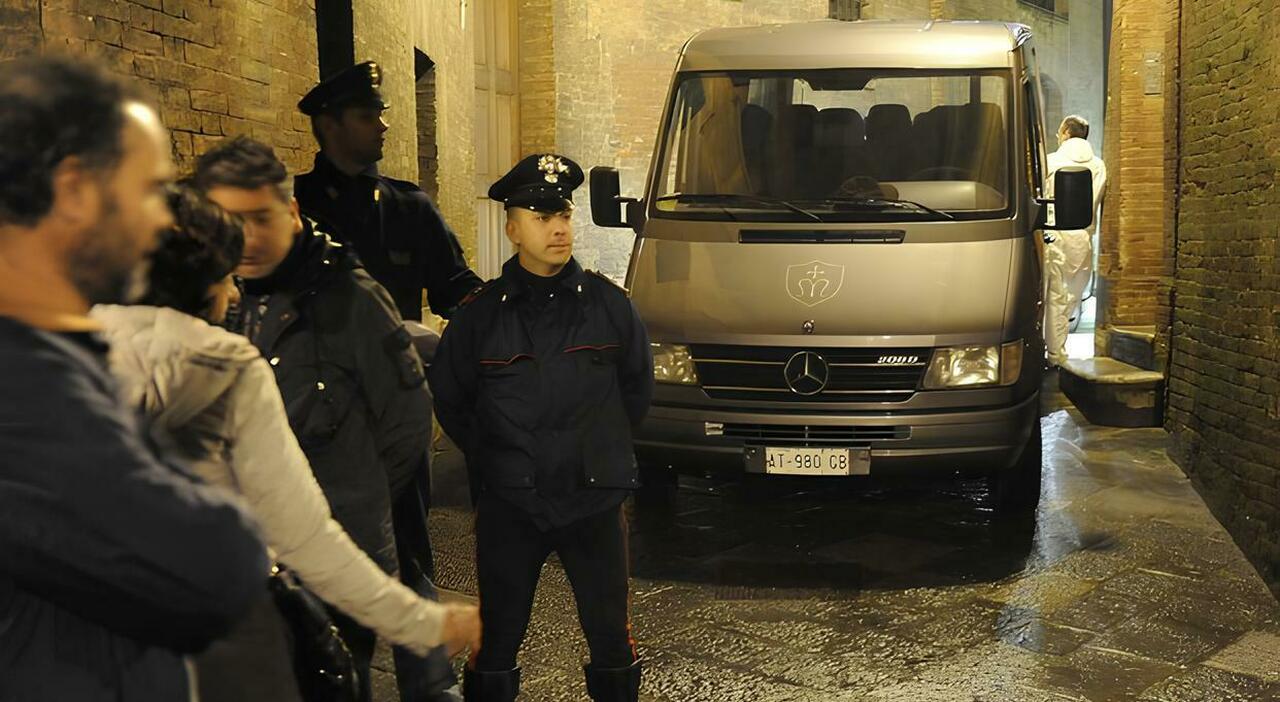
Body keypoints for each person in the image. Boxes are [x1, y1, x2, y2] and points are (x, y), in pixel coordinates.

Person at [92, 184, 482, 702]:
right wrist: (423, 623)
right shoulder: (227, 369)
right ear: (200, 281)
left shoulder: (55, 356)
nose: (235, 294)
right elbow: (305, 535)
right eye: (226, 277)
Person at [0, 56, 268, 701]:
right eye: (149, 190)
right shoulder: (29, 384)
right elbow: (219, 564)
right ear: (74, 191)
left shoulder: (56, 356)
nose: (161, 219)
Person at [190, 135, 446, 701]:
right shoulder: (222, 298)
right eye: (228, 222)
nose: (245, 238)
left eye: (259, 218)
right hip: (251, 552)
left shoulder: (350, 298)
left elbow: (406, 423)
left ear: (290, 210)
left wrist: (353, 498)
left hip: (333, 549)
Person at [430, 154, 654, 702]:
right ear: (512, 229)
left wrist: (597, 449)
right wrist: (498, 459)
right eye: (541, 217)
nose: (558, 229)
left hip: (593, 498)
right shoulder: (480, 315)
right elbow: (453, 400)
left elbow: (636, 390)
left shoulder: (609, 306)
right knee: (497, 639)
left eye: (564, 215)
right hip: (512, 504)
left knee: (611, 637)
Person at [296, 60, 484, 701]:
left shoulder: (408, 208)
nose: (382, 125)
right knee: (317, 551)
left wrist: (503, 312)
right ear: (329, 125)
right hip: (314, 415)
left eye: (382, 113)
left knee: (409, 545)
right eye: (366, 115)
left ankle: (427, 684)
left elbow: (456, 288)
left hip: (394, 411)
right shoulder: (294, 209)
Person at [1045, 114, 1107, 367]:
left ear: (1066, 133)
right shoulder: (1099, 165)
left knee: (1054, 296)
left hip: (1054, 235)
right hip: (1082, 237)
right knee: (1071, 297)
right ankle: (1058, 348)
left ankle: (1054, 354)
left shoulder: (1050, 161)